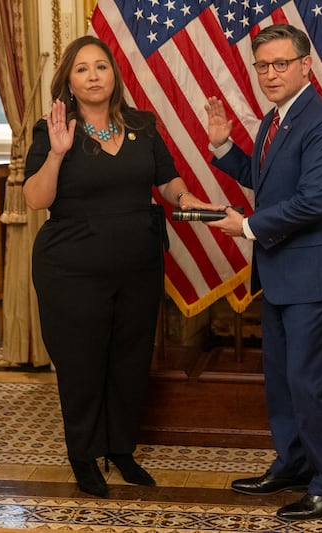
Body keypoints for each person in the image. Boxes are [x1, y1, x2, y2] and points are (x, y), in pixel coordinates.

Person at [23, 35, 219, 499]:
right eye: (83, 69)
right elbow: (35, 200)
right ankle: (85, 455)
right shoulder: (51, 129)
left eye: (102, 67)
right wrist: (56, 152)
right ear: (68, 82)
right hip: (72, 270)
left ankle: (121, 449)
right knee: (83, 363)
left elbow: (167, 181)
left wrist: (192, 202)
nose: (94, 76)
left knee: (130, 360)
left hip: (138, 264)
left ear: (115, 75)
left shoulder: (141, 125)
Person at [204, 24, 322, 521]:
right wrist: (226, 149)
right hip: (279, 274)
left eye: (280, 64)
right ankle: (294, 463)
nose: (270, 74)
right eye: (262, 65)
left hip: (313, 276)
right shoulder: (276, 120)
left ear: (306, 65)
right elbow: (267, 180)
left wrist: (246, 226)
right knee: (281, 381)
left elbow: (312, 201)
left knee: (307, 381)